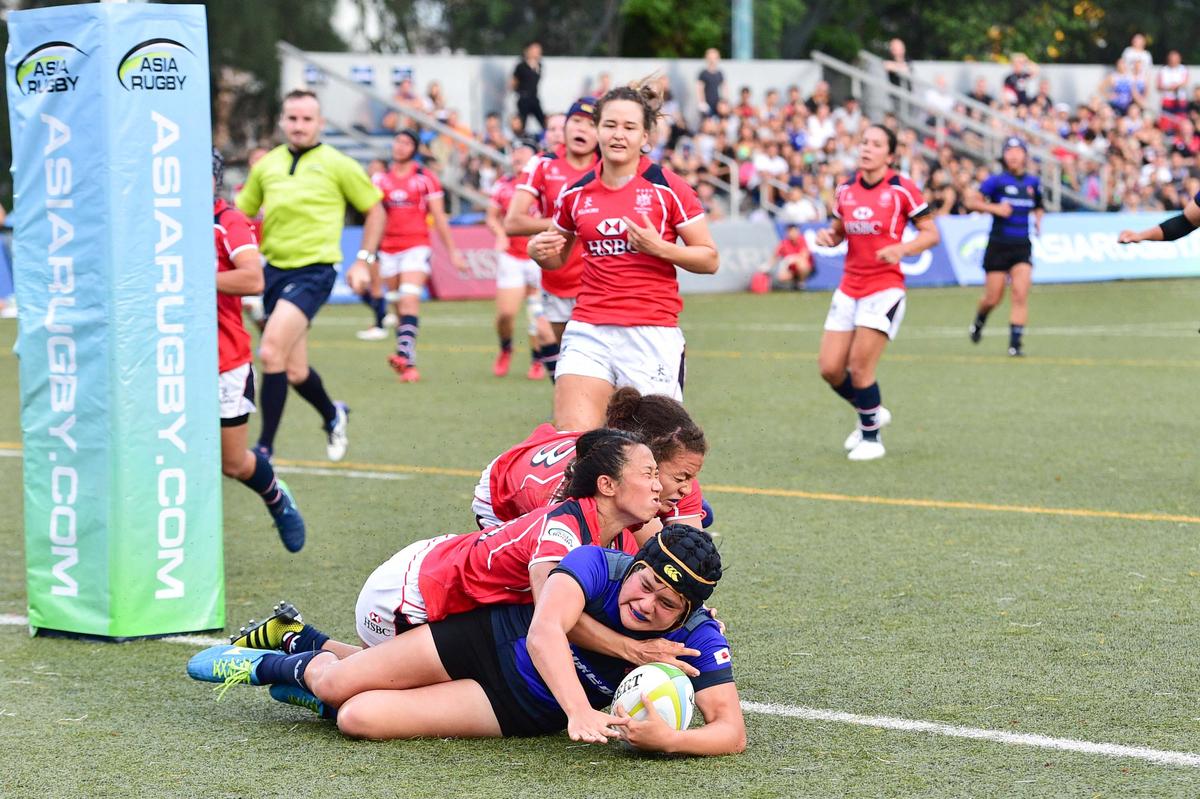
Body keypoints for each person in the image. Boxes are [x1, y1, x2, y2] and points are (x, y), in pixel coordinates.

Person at [189, 526, 745, 754]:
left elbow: (730, 731)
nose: (646, 605)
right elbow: (545, 631)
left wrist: (668, 741)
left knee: (360, 719)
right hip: (487, 640)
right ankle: (272, 662)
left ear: (688, 611)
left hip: (520, 706)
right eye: (645, 586)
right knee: (337, 685)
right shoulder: (597, 564)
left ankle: (313, 651)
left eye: (666, 605)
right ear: (634, 567)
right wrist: (580, 711)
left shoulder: (698, 635)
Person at [528, 81, 719, 430]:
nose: (619, 135)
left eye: (630, 127)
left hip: (651, 331)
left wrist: (658, 247)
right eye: (610, 125)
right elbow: (556, 256)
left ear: (645, 136)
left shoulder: (668, 188)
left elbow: (709, 259)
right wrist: (537, 251)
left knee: (651, 454)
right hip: (588, 327)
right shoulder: (575, 193)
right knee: (575, 443)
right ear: (598, 129)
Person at [236, 90, 385, 461]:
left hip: (314, 271)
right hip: (273, 272)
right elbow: (240, 216)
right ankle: (333, 414)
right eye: (292, 118)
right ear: (282, 121)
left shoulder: (338, 164)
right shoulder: (267, 165)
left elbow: (376, 210)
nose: (299, 125)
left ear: (320, 123)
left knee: (270, 352)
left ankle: (265, 447)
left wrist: (363, 259)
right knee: (295, 369)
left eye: (306, 119)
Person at [815, 123, 940, 461]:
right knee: (829, 368)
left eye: (875, 144)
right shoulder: (845, 190)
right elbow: (840, 230)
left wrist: (902, 249)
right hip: (849, 286)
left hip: (884, 287)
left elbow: (931, 233)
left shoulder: (902, 189)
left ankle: (872, 437)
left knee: (860, 366)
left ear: (890, 153)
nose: (867, 148)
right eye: (864, 142)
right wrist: (829, 237)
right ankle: (871, 409)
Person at [212, 149, 306, 553]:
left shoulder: (226, 221)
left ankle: (275, 496)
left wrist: (188, 274)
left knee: (232, 462)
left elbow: (253, 278)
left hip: (223, 361)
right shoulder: (155, 222)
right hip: (166, 362)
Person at [472, 387, 711, 532]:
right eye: (681, 478)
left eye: (689, 477)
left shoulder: (678, 465)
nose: (687, 487)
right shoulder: (582, 498)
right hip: (502, 490)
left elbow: (688, 556)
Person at [358, 130, 466, 383]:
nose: (400, 146)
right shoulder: (379, 179)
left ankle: (403, 355)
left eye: (406, 142)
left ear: (414, 148)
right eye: (397, 141)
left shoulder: (425, 178)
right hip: (388, 249)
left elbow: (439, 217)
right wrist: (367, 253)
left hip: (416, 246)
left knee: (408, 300)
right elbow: (373, 217)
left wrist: (453, 252)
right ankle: (409, 363)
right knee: (397, 305)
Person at [505, 97, 600, 380]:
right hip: (557, 277)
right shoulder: (543, 164)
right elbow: (512, 222)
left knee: (595, 359)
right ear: (566, 127)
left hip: (599, 279)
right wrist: (568, 221)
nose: (582, 128)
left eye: (591, 123)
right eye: (577, 121)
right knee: (562, 354)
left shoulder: (608, 166)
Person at [966, 137, 1043, 356]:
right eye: (1009, 151)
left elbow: (1039, 206)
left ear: (1025, 155)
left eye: (1018, 151)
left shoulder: (1032, 183)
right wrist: (995, 208)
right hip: (998, 245)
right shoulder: (996, 181)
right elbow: (971, 202)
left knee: (1020, 293)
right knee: (993, 298)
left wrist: (1039, 220)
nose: (1013, 155)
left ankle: (1015, 345)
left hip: (1022, 245)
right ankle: (980, 319)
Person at [486, 137, 555, 380]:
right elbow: (492, 217)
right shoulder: (503, 185)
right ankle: (505, 348)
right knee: (506, 313)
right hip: (512, 257)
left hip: (540, 255)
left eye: (523, 154)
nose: (517, 158)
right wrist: (500, 234)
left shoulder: (548, 183)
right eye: (515, 154)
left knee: (538, 312)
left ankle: (538, 359)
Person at [512, 40, 545, 133]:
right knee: (522, 122)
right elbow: (514, 82)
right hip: (524, 97)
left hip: (534, 97)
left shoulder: (539, 66)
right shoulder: (521, 66)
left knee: (542, 120)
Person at [772, 224, 813, 291]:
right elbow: (775, 256)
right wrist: (766, 267)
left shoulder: (802, 240)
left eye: (794, 231)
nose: (792, 234)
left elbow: (804, 256)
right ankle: (793, 285)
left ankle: (801, 284)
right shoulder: (784, 243)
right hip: (791, 269)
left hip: (802, 268)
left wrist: (792, 259)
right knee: (781, 276)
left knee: (802, 265)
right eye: (790, 231)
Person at [696, 48, 725, 120]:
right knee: (708, 122)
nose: (712, 60)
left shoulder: (719, 73)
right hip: (707, 103)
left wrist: (724, 101)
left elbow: (724, 87)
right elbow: (700, 88)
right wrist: (702, 102)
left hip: (718, 103)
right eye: (710, 58)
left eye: (714, 58)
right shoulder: (703, 73)